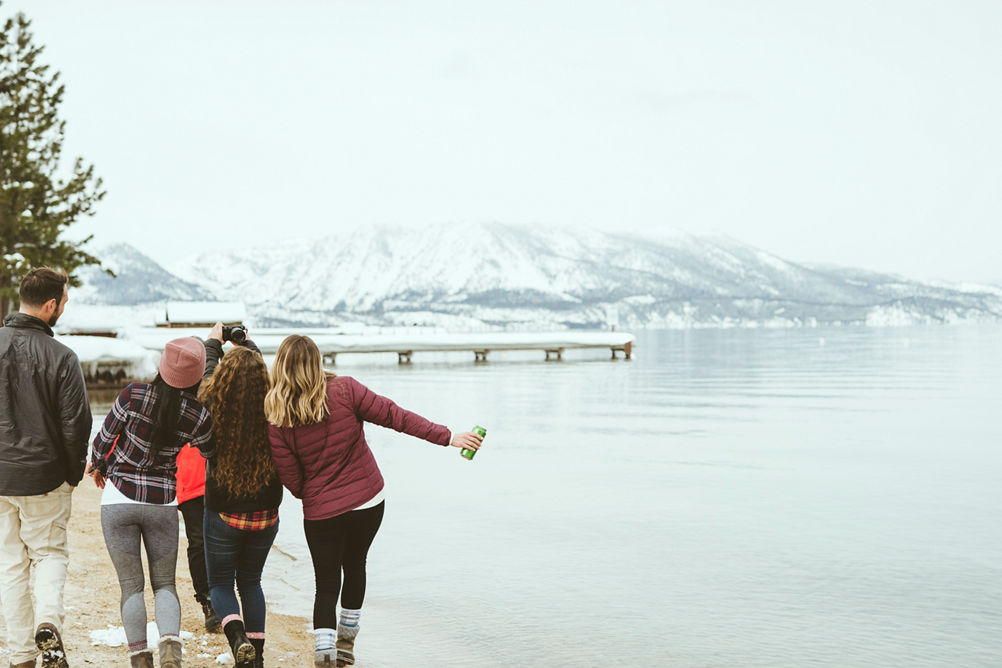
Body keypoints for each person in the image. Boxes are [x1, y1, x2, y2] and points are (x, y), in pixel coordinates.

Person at [264, 335, 483, 667]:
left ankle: (323, 653)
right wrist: (448, 437)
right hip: (368, 502)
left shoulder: (276, 414)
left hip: (321, 512)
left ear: (280, 365)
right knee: (355, 567)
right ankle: (346, 644)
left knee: (325, 585)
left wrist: (315, 495)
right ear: (317, 362)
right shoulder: (346, 390)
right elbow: (396, 416)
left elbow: (290, 477)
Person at [86, 337, 212, 668]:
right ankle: (170, 646)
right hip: (163, 504)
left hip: (118, 500)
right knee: (165, 584)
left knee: (131, 587)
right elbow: (213, 450)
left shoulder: (133, 394)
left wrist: (99, 466)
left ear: (162, 366)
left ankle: (140, 657)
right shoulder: (198, 415)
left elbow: (103, 440)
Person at [0, 268, 91, 668]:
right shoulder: (63, 357)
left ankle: (21, 656)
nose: (64, 308)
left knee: (10, 566)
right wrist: (72, 476)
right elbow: (77, 425)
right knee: (50, 554)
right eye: (65, 302)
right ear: (51, 305)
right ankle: (49, 622)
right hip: (44, 476)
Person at [195, 325, 281, 668]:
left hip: (224, 514)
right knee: (251, 582)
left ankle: (238, 639)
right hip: (266, 513)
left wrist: (214, 342)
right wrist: (245, 344)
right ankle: (256, 659)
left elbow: (207, 374)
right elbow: (258, 370)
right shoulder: (274, 404)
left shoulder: (213, 404)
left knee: (219, 584)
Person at [174, 443, 222, 632]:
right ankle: (207, 600)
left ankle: (224, 596)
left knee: (224, 541)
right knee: (198, 542)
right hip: (190, 483)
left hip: (222, 479)